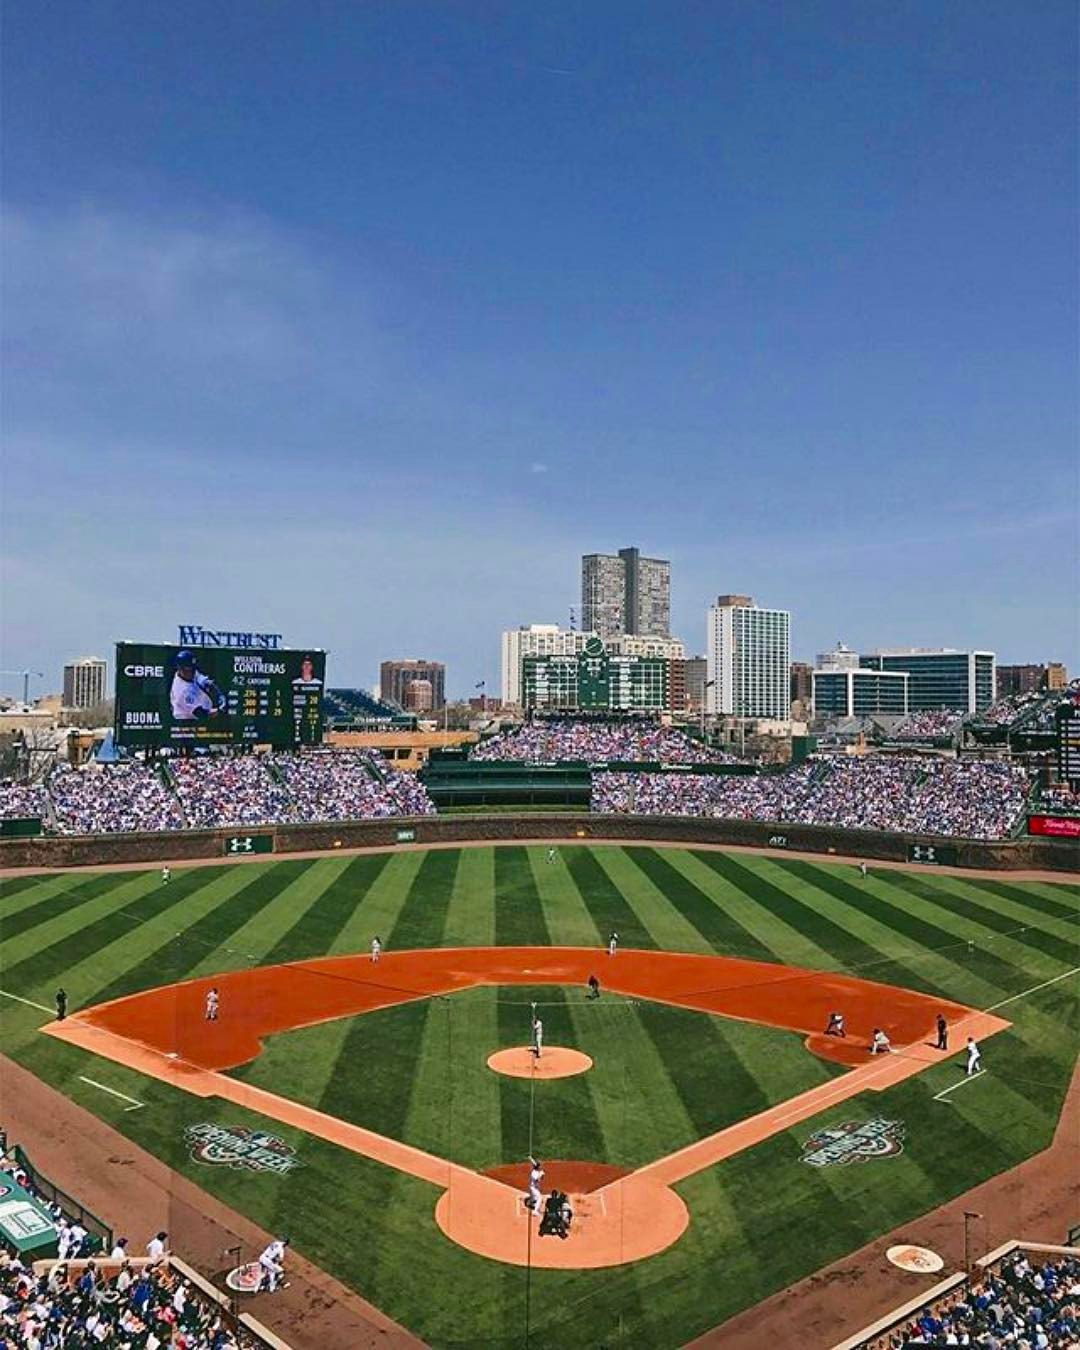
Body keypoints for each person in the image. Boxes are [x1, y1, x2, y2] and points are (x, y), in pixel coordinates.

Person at [170, 649, 226, 723]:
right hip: (187, 721)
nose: (192, 673)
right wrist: (220, 710)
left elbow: (206, 682)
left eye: (193, 669)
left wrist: (219, 695)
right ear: (179, 668)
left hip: (200, 712)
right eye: (188, 670)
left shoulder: (186, 672)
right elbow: (202, 714)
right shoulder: (181, 691)